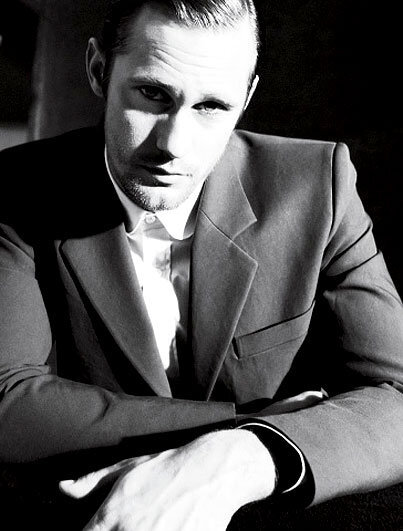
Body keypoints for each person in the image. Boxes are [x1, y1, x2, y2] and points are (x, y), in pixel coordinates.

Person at [0, 0, 402, 529]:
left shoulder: (320, 187)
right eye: (153, 95)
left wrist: (244, 459)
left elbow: (397, 396)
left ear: (247, 98)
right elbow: (8, 401)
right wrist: (250, 426)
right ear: (98, 70)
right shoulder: (13, 191)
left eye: (211, 106)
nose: (174, 144)